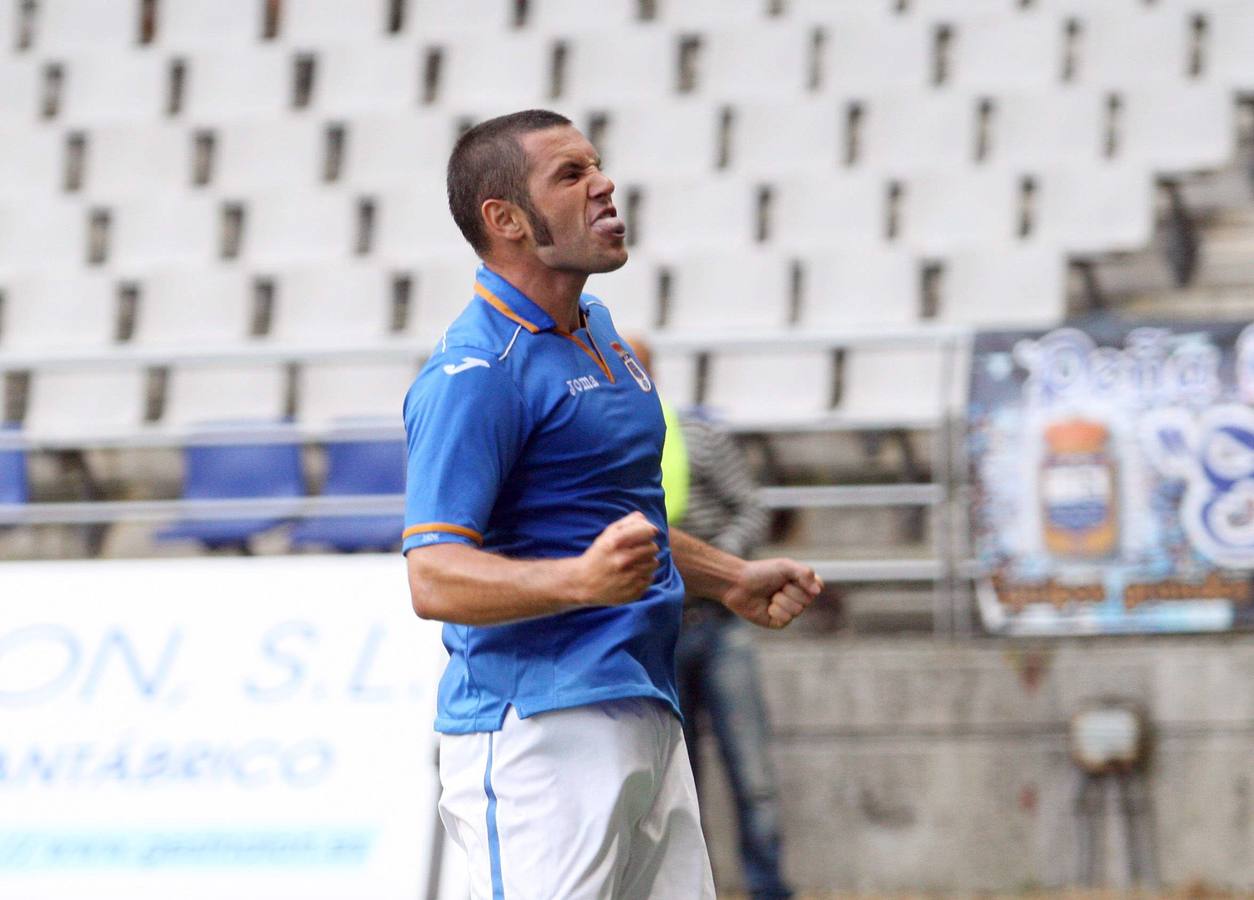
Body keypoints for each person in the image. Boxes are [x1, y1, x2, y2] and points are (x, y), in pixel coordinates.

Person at [401, 109, 822, 900]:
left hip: (645, 707)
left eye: (596, 165)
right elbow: (433, 577)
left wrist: (727, 576)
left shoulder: (598, 331)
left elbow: (617, 527)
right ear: (507, 221)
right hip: (538, 730)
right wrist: (580, 584)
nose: (605, 184)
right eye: (570, 175)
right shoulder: (477, 371)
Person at [628, 337, 794, 900]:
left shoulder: (697, 438)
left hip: (717, 622)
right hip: (659, 628)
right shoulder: (608, 451)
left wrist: (722, 568)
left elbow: (753, 505)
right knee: (680, 780)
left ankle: (768, 888)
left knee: (753, 775)